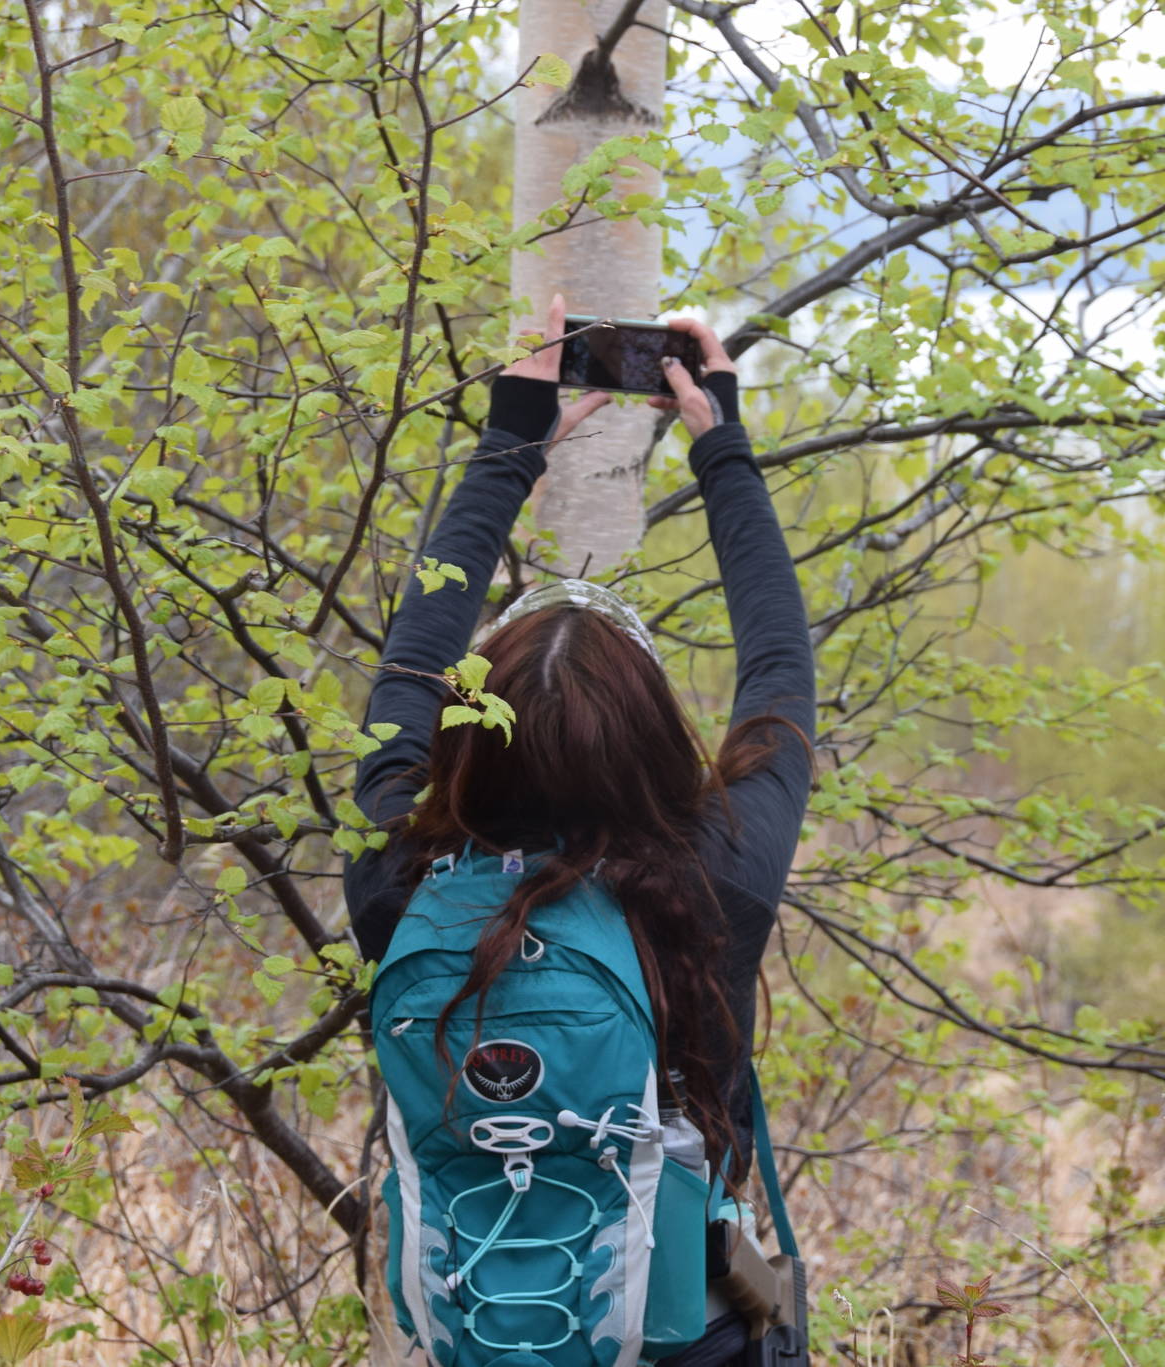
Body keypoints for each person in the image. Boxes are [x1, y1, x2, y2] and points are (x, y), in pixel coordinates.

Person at [342, 295, 816, 1366]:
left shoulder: (401, 872)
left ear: (468, 732)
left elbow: (412, 658)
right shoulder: (715, 875)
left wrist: (509, 443)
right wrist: (719, 445)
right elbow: (780, 668)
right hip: (687, 1335)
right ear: (654, 734)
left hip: (477, 1324)